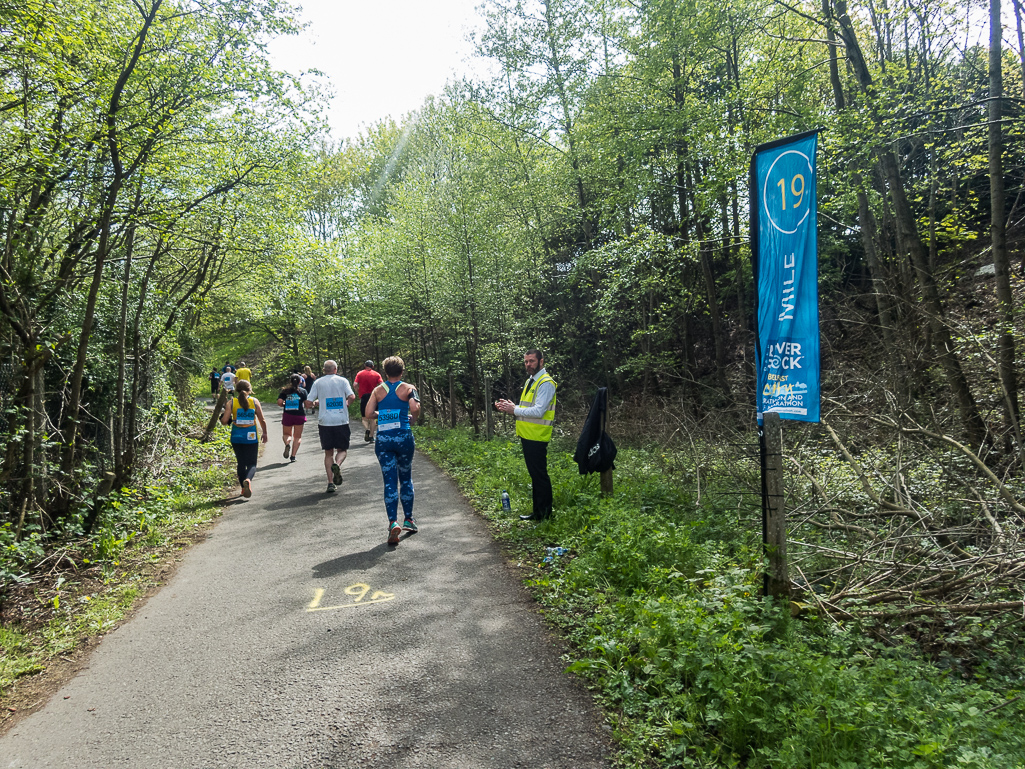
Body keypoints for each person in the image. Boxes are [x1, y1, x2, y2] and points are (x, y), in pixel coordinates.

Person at [494, 349, 557, 521]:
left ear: (541, 362)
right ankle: (538, 512)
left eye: (532, 361)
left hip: (537, 436)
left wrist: (514, 409)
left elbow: (538, 411)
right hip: (528, 435)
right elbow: (528, 408)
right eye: (526, 362)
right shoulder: (531, 380)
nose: (528, 365)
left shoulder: (545, 383)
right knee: (535, 476)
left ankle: (544, 515)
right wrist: (510, 406)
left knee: (540, 476)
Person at [366, 356, 420, 544]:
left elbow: (368, 413)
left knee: (389, 481)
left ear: (385, 372)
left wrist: (381, 413)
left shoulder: (378, 391)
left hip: (384, 440)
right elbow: (414, 407)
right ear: (402, 371)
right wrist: (413, 416)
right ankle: (409, 519)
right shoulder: (409, 388)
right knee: (405, 477)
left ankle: (392, 522)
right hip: (404, 438)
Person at [304, 360, 356, 493]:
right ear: (335, 369)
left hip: (325, 422)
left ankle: (330, 483)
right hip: (341, 420)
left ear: (324, 370)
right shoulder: (343, 381)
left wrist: (316, 403)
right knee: (342, 450)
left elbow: (308, 402)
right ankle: (337, 465)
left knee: (328, 453)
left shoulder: (318, 382)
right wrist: (347, 404)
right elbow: (352, 396)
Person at [219, 379, 268, 499]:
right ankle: (248, 480)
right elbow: (262, 420)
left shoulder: (232, 402)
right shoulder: (254, 401)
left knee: (241, 462)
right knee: (251, 463)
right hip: (251, 437)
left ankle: (242, 488)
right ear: (250, 389)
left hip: (236, 436)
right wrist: (265, 433)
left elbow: (224, 421)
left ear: (236, 390)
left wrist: (231, 419)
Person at [277, 373, 308, 462]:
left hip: (288, 415)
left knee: (287, 434)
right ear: (300, 381)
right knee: (297, 436)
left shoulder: (285, 391)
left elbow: (279, 402)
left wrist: (284, 404)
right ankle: (293, 456)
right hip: (299, 415)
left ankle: (287, 443)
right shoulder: (303, 391)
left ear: (290, 381)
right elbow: (306, 404)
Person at [354, 360, 384, 443]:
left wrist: (358, 391)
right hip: (373, 397)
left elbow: (355, 384)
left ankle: (367, 429)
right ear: (373, 366)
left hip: (363, 397)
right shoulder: (377, 374)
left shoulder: (360, 374)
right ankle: (371, 436)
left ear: (365, 365)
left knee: (364, 417)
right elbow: (382, 384)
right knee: (373, 417)